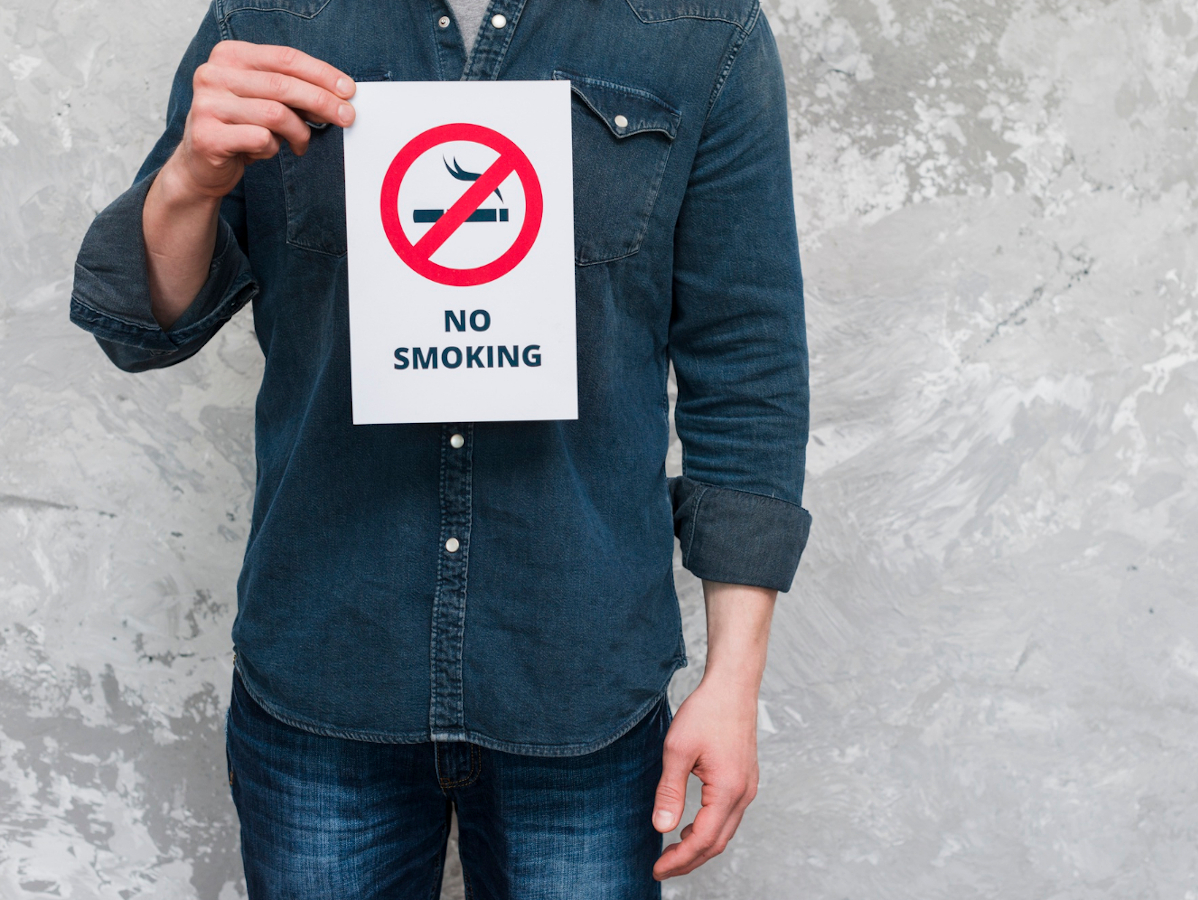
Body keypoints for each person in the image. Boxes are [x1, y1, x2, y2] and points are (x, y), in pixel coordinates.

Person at [69, 0, 812, 895]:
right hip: (324, 664)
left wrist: (735, 682)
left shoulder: (701, 26)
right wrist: (190, 179)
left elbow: (746, 365)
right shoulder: (267, 13)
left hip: (581, 683)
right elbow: (147, 328)